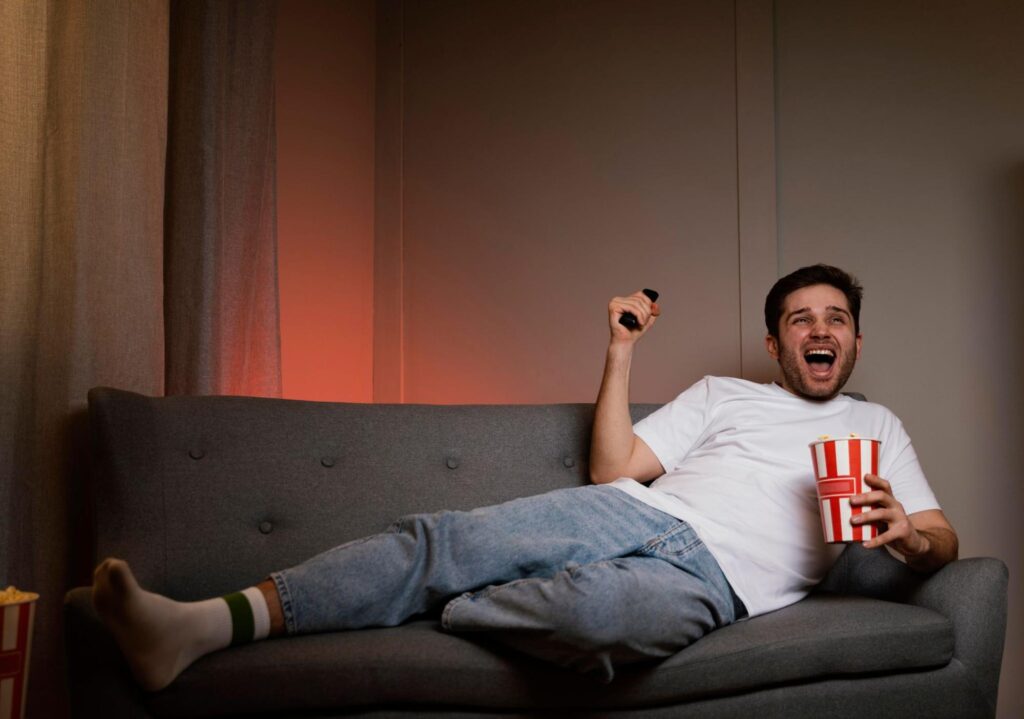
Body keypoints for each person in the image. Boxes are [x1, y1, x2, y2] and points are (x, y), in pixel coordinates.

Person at [93, 263, 958, 692]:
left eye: (835, 318)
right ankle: (202, 624)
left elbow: (941, 538)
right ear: (775, 344)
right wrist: (619, 349)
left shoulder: (875, 427)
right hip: (627, 513)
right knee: (447, 539)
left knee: (595, 621)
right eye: (800, 318)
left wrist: (910, 532)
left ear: (853, 340)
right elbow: (612, 468)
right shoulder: (721, 393)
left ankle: (440, 598)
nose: (820, 329)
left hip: (718, 584)